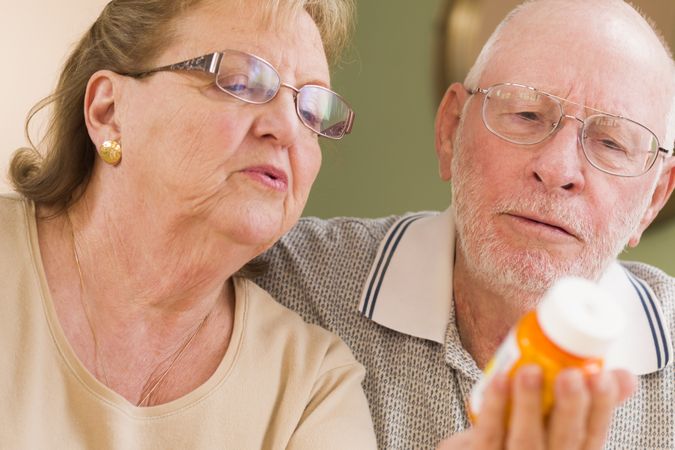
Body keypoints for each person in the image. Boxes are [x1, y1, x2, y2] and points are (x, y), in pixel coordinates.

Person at [255, 0, 675, 448]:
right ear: (450, 130)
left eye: (611, 142)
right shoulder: (284, 280)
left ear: (653, 198)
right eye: (527, 114)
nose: (557, 169)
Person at [0, 0, 377, 448]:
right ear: (108, 112)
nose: (287, 129)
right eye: (240, 82)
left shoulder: (313, 388)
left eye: (311, 111)